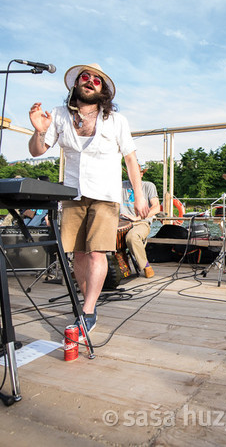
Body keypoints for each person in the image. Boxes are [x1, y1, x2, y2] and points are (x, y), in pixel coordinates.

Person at [28, 63, 148, 334]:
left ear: (103, 90)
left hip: (105, 196)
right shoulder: (58, 115)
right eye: (85, 77)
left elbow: (130, 159)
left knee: (96, 251)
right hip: (72, 194)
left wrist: (139, 196)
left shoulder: (117, 120)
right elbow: (36, 151)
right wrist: (38, 129)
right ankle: (86, 304)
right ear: (76, 84)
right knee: (78, 254)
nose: (91, 81)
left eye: (97, 79)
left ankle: (88, 310)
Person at [120, 165, 160, 278]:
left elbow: (156, 207)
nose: (132, 174)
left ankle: (145, 265)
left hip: (141, 222)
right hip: (122, 222)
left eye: (135, 172)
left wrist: (139, 218)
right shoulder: (120, 186)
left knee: (132, 237)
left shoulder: (148, 186)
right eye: (130, 171)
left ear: (141, 174)